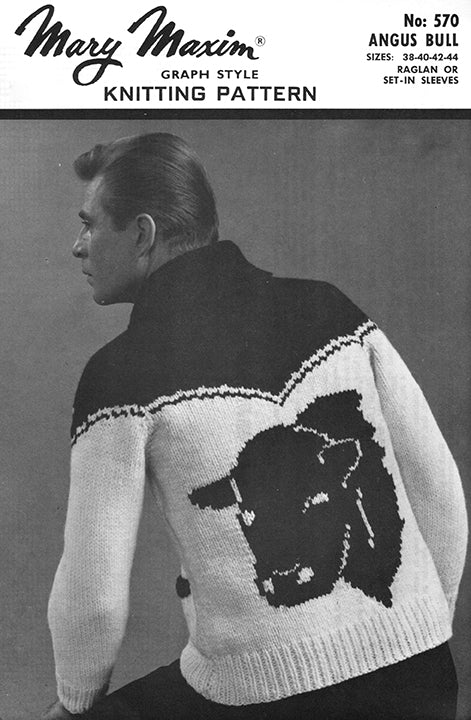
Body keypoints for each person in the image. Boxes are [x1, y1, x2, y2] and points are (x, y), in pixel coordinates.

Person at [42, 132, 467, 720]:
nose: (77, 246)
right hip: (422, 675)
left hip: (264, 695)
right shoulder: (333, 309)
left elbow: (94, 600)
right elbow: (439, 492)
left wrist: (74, 703)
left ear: (142, 234)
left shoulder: (118, 378)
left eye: (89, 225)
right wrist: (420, 630)